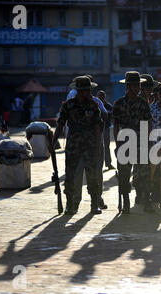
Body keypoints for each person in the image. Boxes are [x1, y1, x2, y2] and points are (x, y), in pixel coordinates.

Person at [51, 76, 103, 215]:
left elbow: (98, 126)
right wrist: (53, 141)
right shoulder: (68, 105)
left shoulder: (93, 105)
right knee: (71, 176)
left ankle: (94, 204)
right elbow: (60, 124)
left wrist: (98, 145)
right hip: (73, 146)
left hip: (90, 146)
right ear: (81, 91)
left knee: (92, 176)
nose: (90, 92)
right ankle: (70, 205)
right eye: (87, 90)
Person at [113, 71, 152, 214]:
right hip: (125, 142)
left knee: (144, 174)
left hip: (141, 142)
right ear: (128, 86)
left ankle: (146, 201)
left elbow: (148, 123)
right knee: (124, 175)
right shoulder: (119, 103)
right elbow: (116, 125)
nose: (138, 88)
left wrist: (148, 142)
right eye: (136, 86)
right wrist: (117, 144)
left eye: (139, 85)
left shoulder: (143, 103)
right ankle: (126, 202)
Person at [67, 75, 108, 209]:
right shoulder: (70, 103)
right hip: (76, 145)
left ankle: (96, 200)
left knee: (94, 174)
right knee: (76, 174)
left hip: (92, 144)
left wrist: (97, 142)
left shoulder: (95, 103)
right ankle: (74, 202)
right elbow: (62, 122)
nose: (89, 92)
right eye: (87, 89)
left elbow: (104, 117)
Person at [97, 90, 115, 171]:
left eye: (102, 96)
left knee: (106, 147)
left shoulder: (108, 106)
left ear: (104, 97)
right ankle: (98, 165)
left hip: (106, 128)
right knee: (97, 147)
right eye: (99, 96)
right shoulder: (94, 105)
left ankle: (108, 163)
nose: (101, 97)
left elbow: (112, 117)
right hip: (96, 129)